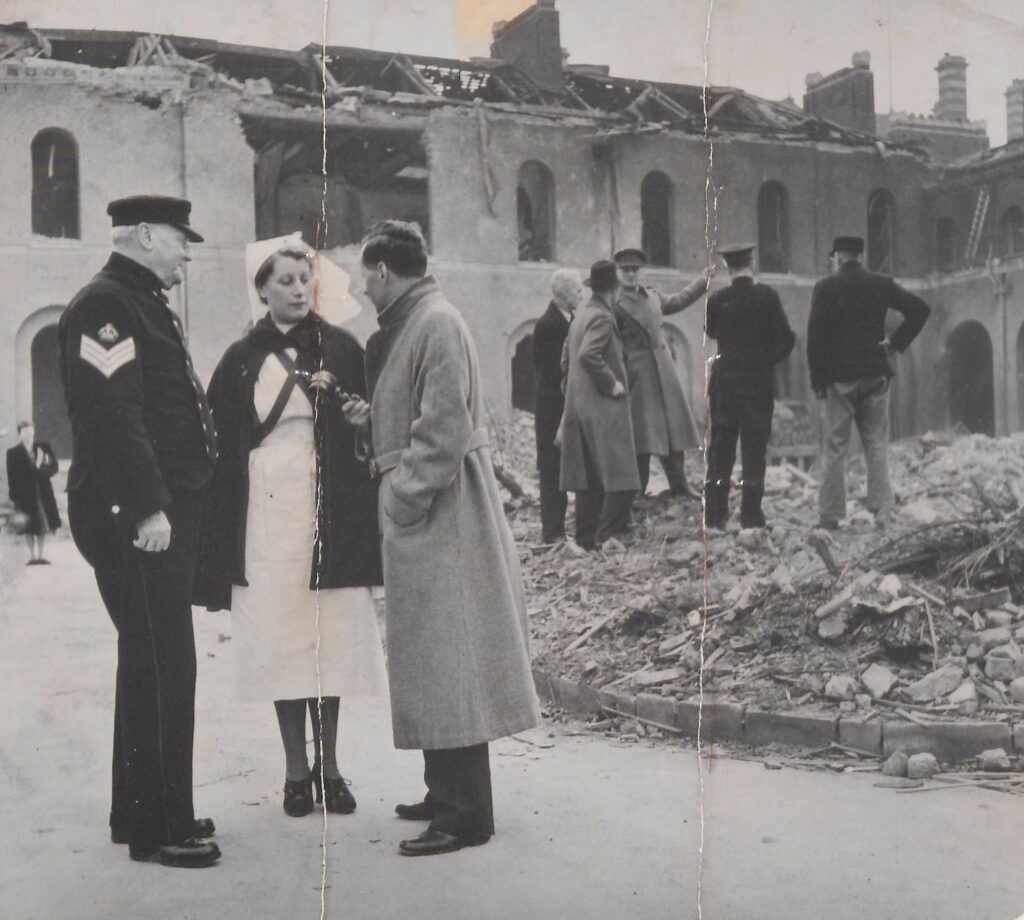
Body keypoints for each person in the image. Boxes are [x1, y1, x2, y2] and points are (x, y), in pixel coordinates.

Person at [342, 220, 541, 857]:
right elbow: (418, 411)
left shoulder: (436, 322)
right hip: (429, 507)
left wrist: (402, 494)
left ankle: (465, 814)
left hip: (442, 508)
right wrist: (372, 422)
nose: (357, 285)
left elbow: (445, 426)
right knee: (431, 653)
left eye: (362, 272)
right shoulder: (419, 320)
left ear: (382, 271)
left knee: (449, 651)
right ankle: (442, 790)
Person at [196, 235, 385, 820]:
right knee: (282, 636)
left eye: (305, 279)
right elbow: (220, 442)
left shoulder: (345, 348)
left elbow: (372, 430)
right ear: (262, 290)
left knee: (327, 635)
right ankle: (294, 773)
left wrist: (361, 422)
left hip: (330, 503)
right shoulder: (240, 358)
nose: (299, 289)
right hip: (267, 508)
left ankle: (330, 768)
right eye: (285, 281)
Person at [58, 195, 220, 868]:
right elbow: (111, 414)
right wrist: (148, 507)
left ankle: (146, 811)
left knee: (152, 658)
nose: (187, 252)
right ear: (148, 235)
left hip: (152, 509)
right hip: (138, 516)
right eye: (181, 239)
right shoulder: (107, 304)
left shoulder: (136, 298)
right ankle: (161, 827)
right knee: (162, 662)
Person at [807, 235, 930, 530]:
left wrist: (818, 381)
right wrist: (894, 342)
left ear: (837, 256)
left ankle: (831, 516)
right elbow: (920, 310)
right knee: (876, 444)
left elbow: (814, 340)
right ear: (861, 256)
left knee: (836, 446)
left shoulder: (825, 288)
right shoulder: (882, 283)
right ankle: (883, 509)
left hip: (839, 380)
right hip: (875, 373)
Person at [704, 243, 795, 531]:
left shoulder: (716, 300)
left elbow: (711, 331)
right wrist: (765, 361)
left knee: (721, 450)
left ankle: (715, 516)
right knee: (754, 450)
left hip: (724, 386)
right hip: (756, 385)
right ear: (751, 264)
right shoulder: (767, 297)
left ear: (729, 269)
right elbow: (787, 339)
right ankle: (751, 517)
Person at [612, 247, 707, 500]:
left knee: (672, 428)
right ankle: (636, 492)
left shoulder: (651, 296)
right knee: (643, 434)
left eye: (635, 270)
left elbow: (678, 301)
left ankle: (679, 484)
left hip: (664, 371)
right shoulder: (616, 304)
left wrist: (703, 280)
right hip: (638, 375)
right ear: (619, 273)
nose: (631, 275)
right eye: (626, 270)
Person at [559, 260, 641, 549]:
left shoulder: (581, 314)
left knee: (589, 479)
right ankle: (604, 537)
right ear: (614, 290)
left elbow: (565, 362)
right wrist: (611, 383)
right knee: (624, 480)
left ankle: (585, 540)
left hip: (580, 407)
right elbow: (587, 356)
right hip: (604, 408)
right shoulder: (603, 318)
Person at [532, 268, 584, 543]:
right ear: (563, 294)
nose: (581, 294)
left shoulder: (569, 319)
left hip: (565, 407)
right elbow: (555, 374)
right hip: (553, 409)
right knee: (552, 472)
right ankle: (552, 532)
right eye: (577, 290)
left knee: (564, 468)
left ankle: (561, 530)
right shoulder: (549, 326)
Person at [6, 421, 61, 564]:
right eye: (25, 433)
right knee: (28, 525)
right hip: (24, 494)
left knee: (42, 523)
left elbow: (54, 467)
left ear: (34, 432)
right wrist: (14, 496)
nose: (28, 435)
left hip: (42, 492)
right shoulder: (13, 452)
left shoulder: (43, 448)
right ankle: (32, 556)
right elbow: (11, 475)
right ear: (20, 435)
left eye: (30, 432)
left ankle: (41, 556)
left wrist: (44, 471)